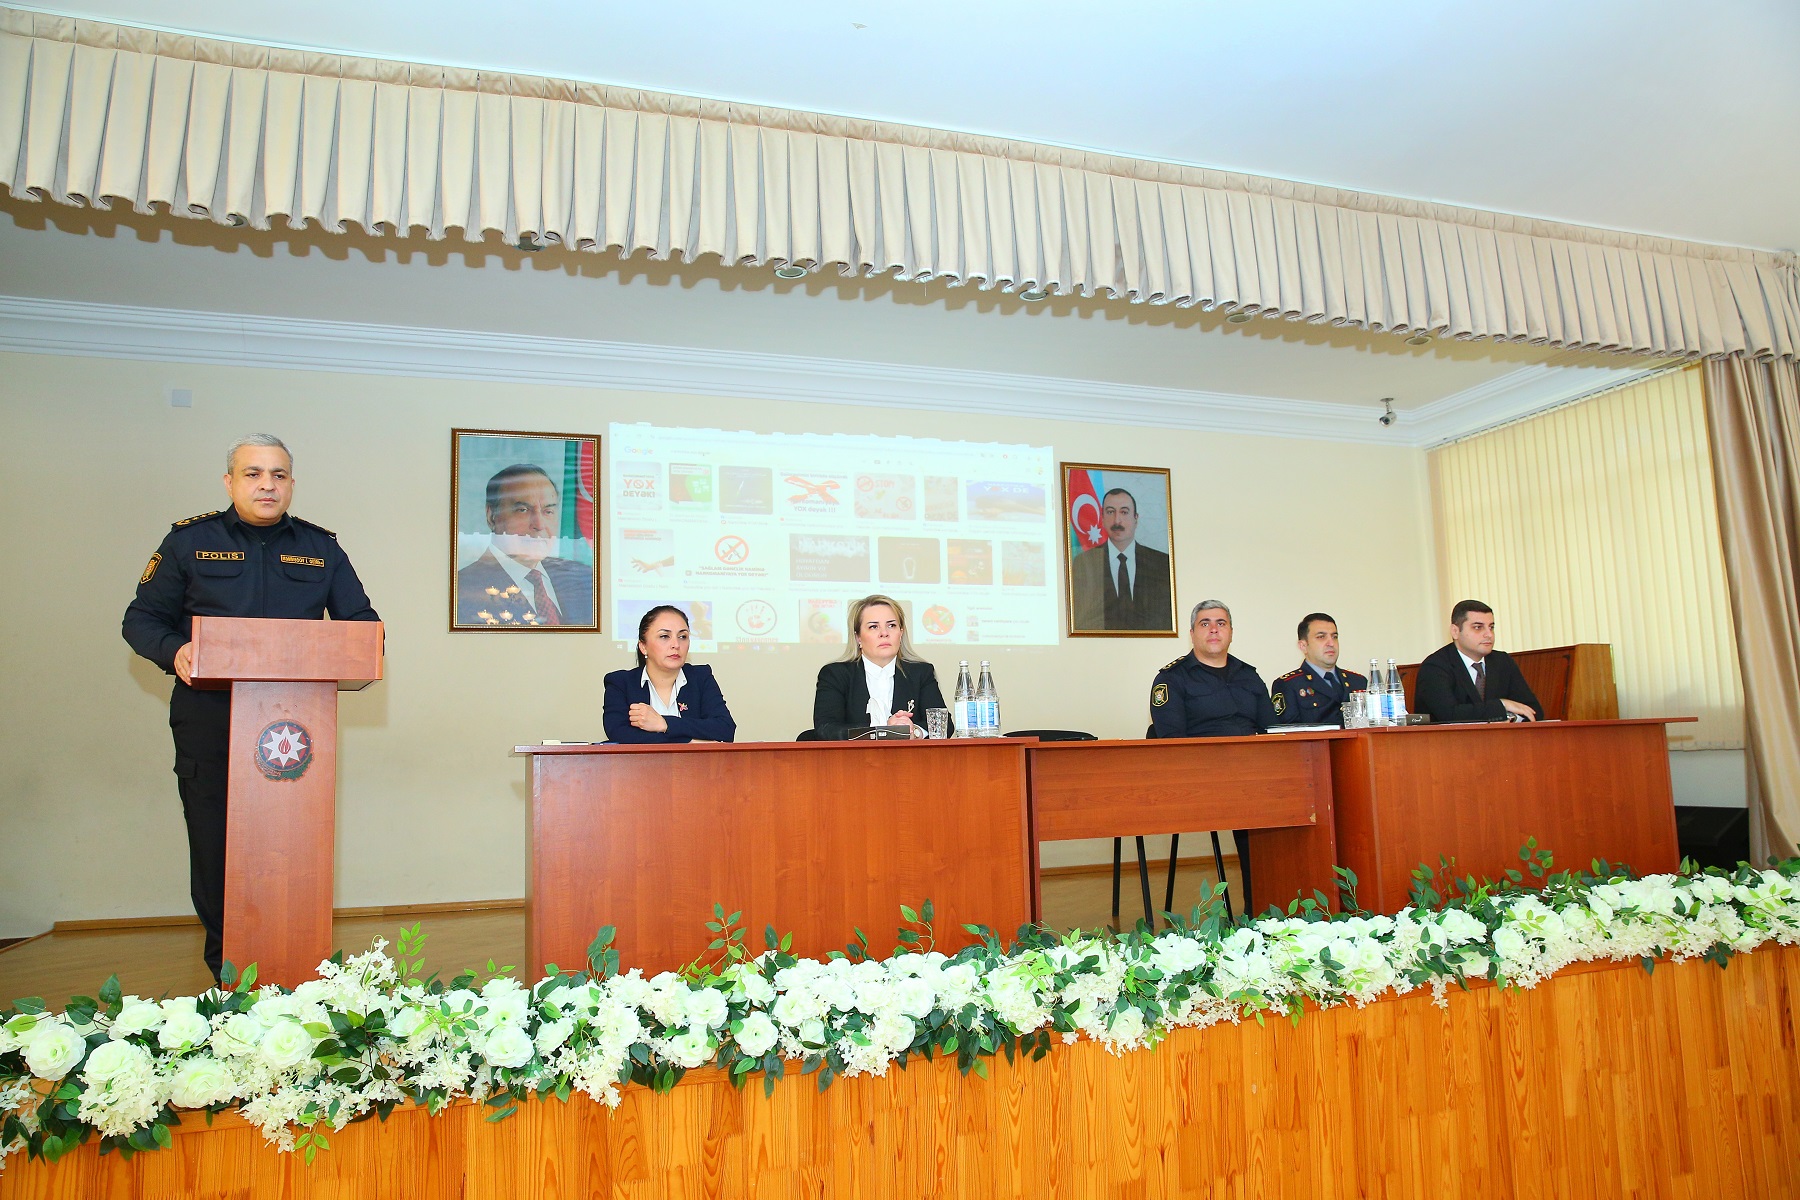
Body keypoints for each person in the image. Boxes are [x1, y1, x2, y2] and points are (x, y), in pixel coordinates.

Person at [121, 435, 380, 982]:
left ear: (292, 484)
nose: (267, 485)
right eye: (253, 474)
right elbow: (140, 620)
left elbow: (361, 624)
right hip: (210, 718)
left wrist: (357, 645)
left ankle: (300, 969)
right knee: (216, 844)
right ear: (229, 482)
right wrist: (176, 650)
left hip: (295, 723)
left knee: (295, 842)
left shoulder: (321, 548)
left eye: (279, 475)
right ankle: (229, 971)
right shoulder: (189, 542)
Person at [1149, 600, 1278, 913]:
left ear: (1231, 632)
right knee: (1256, 810)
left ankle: (1280, 903)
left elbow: (1272, 732)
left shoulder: (1249, 676)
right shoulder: (1172, 678)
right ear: (1192, 633)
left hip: (1252, 774)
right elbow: (1172, 744)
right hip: (1203, 778)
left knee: (1289, 805)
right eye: (1205, 623)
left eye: (1221, 623)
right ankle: (1258, 910)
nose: (1214, 629)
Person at [455, 464, 595, 627]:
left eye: (548, 511)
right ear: (492, 516)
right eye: (523, 510)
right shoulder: (461, 590)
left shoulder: (584, 578)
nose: (539, 525)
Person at [812, 595, 949, 740]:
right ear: (858, 637)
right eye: (873, 627)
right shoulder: (835, 675)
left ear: (901, 633)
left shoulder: (921, 673)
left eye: (891, 625)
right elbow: (826, 728)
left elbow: (944, 725)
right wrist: (885, 731)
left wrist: (914, 731)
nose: (884, 633)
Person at [602, 606, 736, 743]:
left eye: (682, 637)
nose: (676, 645)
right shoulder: (621, 683)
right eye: (664, 636)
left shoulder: (700, 677)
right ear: (643, 646)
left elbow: (725, 729)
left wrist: (665, 723)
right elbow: (619, 733)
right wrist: (688, 741)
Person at [1413, 599, 1545, 724]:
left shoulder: (1502, 661)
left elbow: (1533, 711)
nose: (1489, 634)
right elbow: (1450, 715)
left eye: (1491, 627)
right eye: (1478, 627)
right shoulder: (1435, 667)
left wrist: (1510, 717)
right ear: (1455, 631)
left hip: (1502, 739)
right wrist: (1502, 705)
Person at [1069, 488, 1173, 631]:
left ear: (1136, 518)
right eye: (1110, 512)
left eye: (1124, 512)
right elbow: (1080, 620)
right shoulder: (1084, 563)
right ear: (1102, 518)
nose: (1117, 520)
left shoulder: (1162, 563)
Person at [1270, 613, 1368, 726]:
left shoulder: (1358, 681)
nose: (1331, 643)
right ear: (1303, 646)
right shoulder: (1289, 685)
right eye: (1321, 637)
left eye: (1334, 637)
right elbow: (1289, 733)